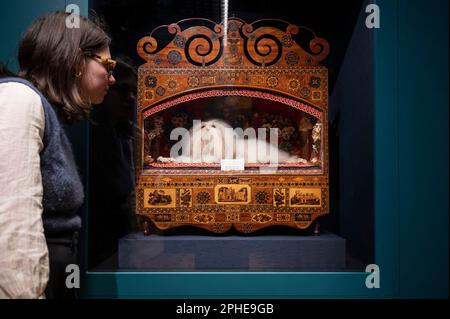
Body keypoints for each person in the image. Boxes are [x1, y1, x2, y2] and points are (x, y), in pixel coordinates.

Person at [0, 11, 115, 299]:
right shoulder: (19, 99)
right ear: (76, 61)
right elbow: (13, 219)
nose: (111, 78)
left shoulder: (42, 109)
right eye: (108, 64)